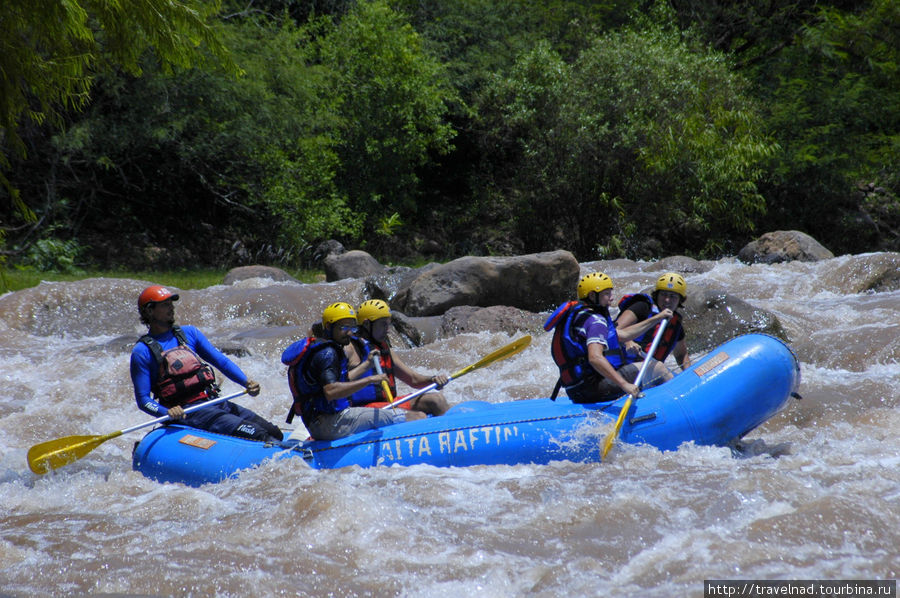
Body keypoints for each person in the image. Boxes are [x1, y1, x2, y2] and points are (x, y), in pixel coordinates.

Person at [130, 285, 283, 442]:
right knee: (258, 435)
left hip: (214, 402)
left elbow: (221, 361)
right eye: (164, 305)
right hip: (189, 411)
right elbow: (143, 400)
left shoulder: (189, 333)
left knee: (274, 432)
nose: (171, 308)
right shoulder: (142, 352)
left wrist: (245, 382)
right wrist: (166, 412)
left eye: (171, 303)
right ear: (149, 311)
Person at [282, 302, 426, 441]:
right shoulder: (328, 353)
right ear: (328, 327)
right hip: (330, 423)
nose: (350, 333)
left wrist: (367, 364)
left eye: (352, 328)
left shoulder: (323, 348)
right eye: (344, 327)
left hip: (319, 422)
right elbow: (331, 391)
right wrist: (369, 380)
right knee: (415, 416)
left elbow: (344, 380)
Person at [544, 272, 673, 403]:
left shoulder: (579, 314)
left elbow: (623, 335)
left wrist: (658, 318)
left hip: (575, 389)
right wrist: (624, 384)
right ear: (592, 295)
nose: (612, 298)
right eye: (607, 294)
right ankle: (675, 402)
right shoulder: (596, 321)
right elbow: (595, 358)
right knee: (657, 367)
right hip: (595, 388)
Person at [345, 299, 449, 416]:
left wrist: (433, 380)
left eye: (388, 324)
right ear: (366, 324)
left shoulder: (384, 349)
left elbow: (413, 380)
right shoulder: (350, 349)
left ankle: (451, 432)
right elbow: (335, 385)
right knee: (418, 416)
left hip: (387, 404)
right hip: (363, 410)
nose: (388, 330)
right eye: (383, 324)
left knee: (437, 400)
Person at [615, 272, 692, 380]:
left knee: (662, 369)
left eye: (673, 296)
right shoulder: (642, 307)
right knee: (660, 368)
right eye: (663, 294)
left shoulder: (675, 323)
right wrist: (628, 341)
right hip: (623, 368)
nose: (667, 300)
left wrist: (690, 376)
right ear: (657, 295)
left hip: (648, 373)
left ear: (680, 300)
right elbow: (614, 330)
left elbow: (681, 355)